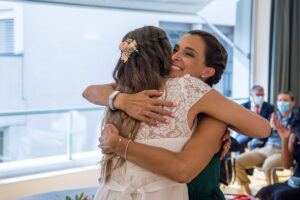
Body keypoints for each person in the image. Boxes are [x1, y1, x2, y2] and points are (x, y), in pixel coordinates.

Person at [84, 27, 271, 200]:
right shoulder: (148, 89)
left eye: (188, 54)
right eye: (175, 49)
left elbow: (263, 128)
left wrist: (117, 144)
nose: (174, 57)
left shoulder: (212, 114)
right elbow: (91, 91)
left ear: (207, 71)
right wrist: (121, 100)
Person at [235, 91, 295, 196]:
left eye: (285, 100)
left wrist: (280, 130)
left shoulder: (295, 119)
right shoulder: (273, 116)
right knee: (237, 161)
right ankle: (249, 194)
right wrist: (270, 127)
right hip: (267, 148)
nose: (282, 103)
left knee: (268, 165)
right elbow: (262, 134)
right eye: (280, 100)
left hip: (283, 150)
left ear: (292, 103)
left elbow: (293, 139)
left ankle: (275, 195)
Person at [255, 107, 300, 200]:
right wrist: (284, 139)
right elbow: (286, 165)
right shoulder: (295, 136)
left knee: (280, 196)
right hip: (296, 179)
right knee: (264, 192)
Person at [234, 85, 274, 154]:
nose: (260, 97)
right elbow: (239, 123)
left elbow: (268, 125)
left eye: (262, 95)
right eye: (258, 95)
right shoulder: (243, 106)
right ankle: (239, 161)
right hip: (245, 132)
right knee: (238, 142)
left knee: (255, 144)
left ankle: (253, 162)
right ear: (252, 95)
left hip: (261, 134)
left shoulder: (269, 108)